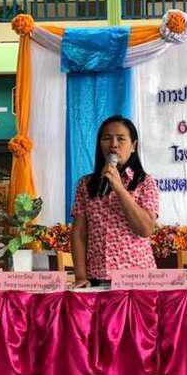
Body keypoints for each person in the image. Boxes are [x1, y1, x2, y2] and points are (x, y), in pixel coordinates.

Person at [70, 115, 159, 287]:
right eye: (107, 138)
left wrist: (119, 189)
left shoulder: (145, 183)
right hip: (96, 278)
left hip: (137, 280)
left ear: (133, 146)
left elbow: (146, 229)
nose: (113, 144)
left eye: (121, 139)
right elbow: (79, 234)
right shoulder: (85, 184)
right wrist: (80, 276)